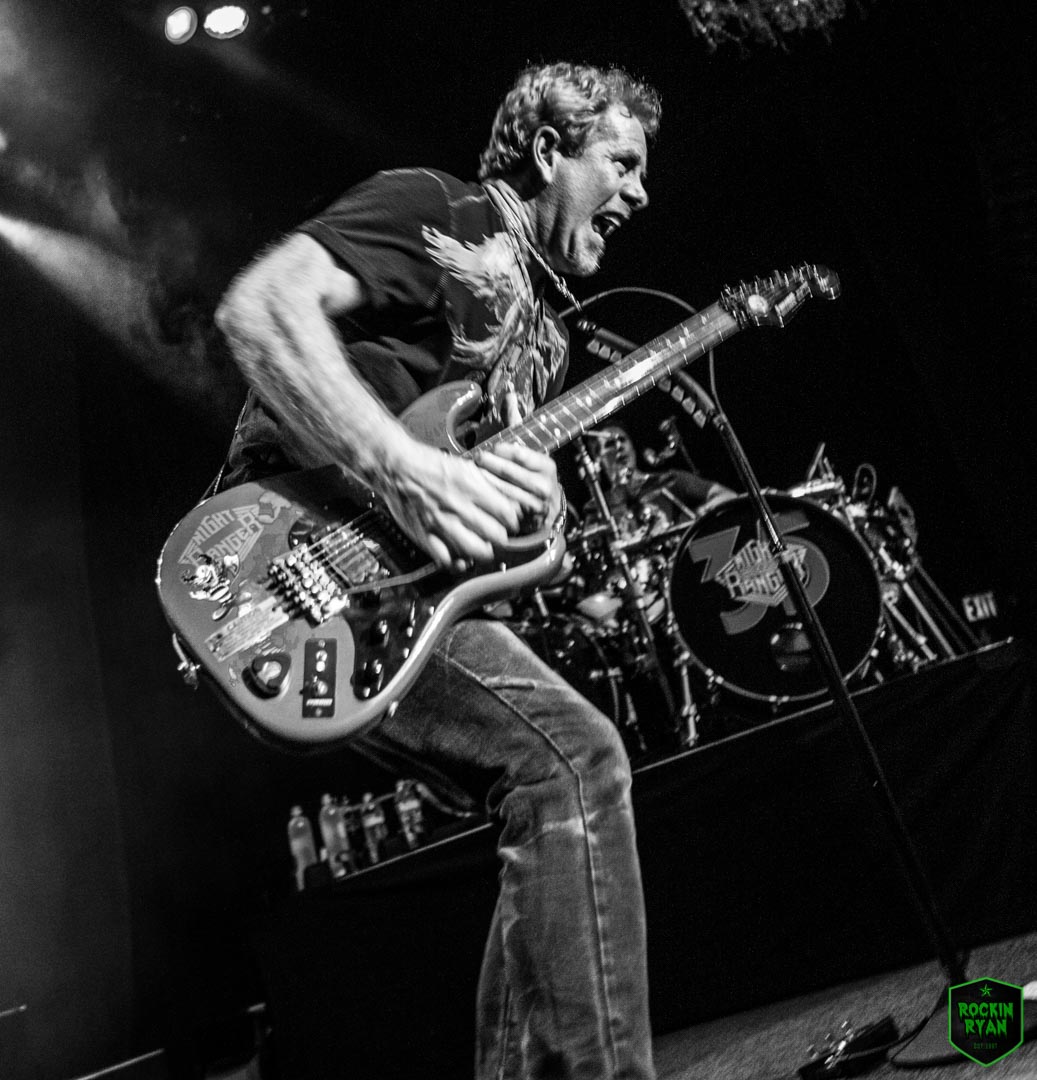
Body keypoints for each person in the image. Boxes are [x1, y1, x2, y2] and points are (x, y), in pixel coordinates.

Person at [214, 62, 660, 1080]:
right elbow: (259, 309)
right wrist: (398, 467)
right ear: (547, 150)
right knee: (571, 762)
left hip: (409, 595)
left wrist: (539, 515)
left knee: (548, 792)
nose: (641, 192)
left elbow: (497, 533)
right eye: (623, 162)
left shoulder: (546, 342)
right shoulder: (438, 208)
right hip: (290, 563)